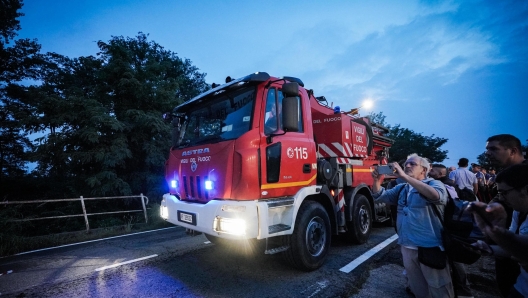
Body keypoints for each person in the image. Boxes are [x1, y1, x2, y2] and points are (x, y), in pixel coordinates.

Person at [372, 153, 454, 298]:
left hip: (430, 245)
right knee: (417, 286)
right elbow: (381, 196)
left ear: (424, 170)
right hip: (407, 245)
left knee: (438, 287)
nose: (407, 166)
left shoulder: (434, 183)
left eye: (412, 164)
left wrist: (405, 176)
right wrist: (377, 180)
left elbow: (436, 196)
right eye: (406, 164)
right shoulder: (403, 188)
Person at [468, 163, 528, 298]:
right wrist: (490, 248)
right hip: (521, 286)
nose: (500, 198)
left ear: (525, 190)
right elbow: (513, 247)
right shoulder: (518, 212)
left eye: (504, 193)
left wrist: (498, 233)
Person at [484, 134, 527, 297]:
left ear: (513, 151)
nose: (488, 153)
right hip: (505, 248)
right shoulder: (504, 175)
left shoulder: (523, 177)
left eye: (493, 149)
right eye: (487, 149)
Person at [429, 164, 475, 298]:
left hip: (448, 227)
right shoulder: (449, 184)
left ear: (440, 174)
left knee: (454, 259)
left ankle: (463, 291)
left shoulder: (444, 186)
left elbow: (449, 206)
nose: (429, 172)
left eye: (432, 171)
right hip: (450, 225)